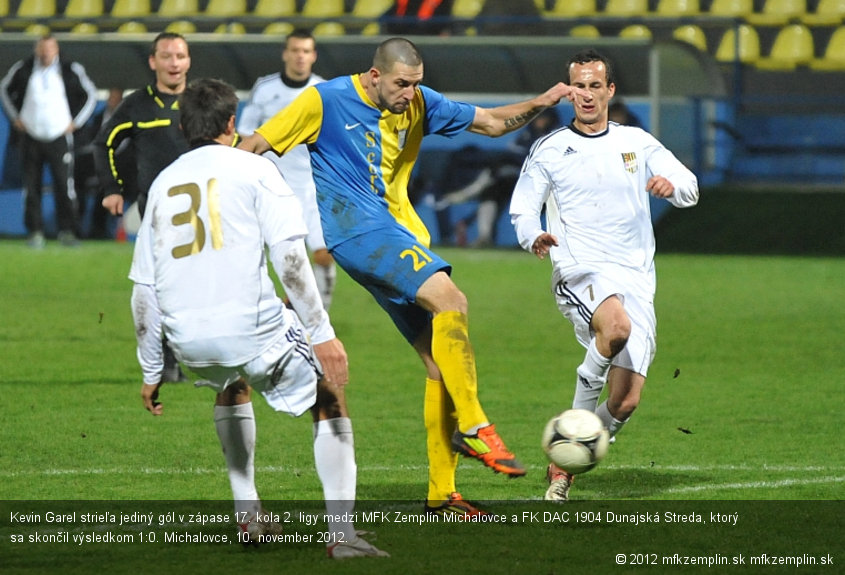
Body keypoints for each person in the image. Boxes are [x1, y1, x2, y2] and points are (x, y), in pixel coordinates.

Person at [238, 37, 588, 515]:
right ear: (375, 75)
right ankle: (474, 425)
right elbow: (256, 145)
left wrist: (541, 102)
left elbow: (487, 122)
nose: (410, 94)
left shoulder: (419, 101)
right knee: (452, 300)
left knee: (438, 363)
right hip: (358, 233)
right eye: (402, 84)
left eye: (416, 84)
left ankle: (441, 496)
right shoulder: (324, 100)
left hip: (399, 235)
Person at [130, 78, 388, 559]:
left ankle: (248, 516)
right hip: (252, 330)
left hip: (190, 344)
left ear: (183, 125)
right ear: (233, 123)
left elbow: (143, 291)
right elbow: (291, 259)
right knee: (329, 396)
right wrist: (323, 334)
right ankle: (342, 537)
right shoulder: (255, 169)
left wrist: (150, 370)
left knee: (233, 382)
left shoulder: (163, 183)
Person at [509, 49, 699, 501]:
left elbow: (690, 186)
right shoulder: (551, 148)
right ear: (569, 90)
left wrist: (672, 190)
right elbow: (522, 207)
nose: (587, 95)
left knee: (626, 400)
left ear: (610, 91)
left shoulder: (637, 142)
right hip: (580, 268)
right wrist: (532, 235)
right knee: (615, 328)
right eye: (579, 86)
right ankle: (564, 459)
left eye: (596, 86)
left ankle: (578, 448)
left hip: (635, 276)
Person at [93, 31, 191, 383]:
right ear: (153, 62)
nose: (174, 63)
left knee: (201, 286)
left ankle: (203, 355)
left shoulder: (200, 102)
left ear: (188, 61)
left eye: (180, 56)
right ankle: (167, 359)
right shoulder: (137, 105)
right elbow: (103, 143)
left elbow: (230, 142)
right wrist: (112, 189)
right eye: (167, 56)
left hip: (202, 215)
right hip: (157, 214)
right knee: (161, 289)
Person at [237, 29, 336, 310]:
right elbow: (246, 134)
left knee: (323, 254)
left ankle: (320, 313)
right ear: (285, 54)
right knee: (273, 254)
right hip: (273, 186)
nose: (300, 56)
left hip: (313, 186)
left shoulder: (323, 91)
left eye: (306, 51)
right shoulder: (265, 89)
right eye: (295, 50)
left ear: (313, 56)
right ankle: (268, 309)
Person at [0, 34, 97, 248]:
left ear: (56, 50)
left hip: (59, 137)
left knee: (64, 185)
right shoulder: (23, 68)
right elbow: (4, 89)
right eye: (42, 49)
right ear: (36, 50)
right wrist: (15, 118)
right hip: (30, 136)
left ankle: (68, 231)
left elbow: (90, 94)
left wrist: (76, 122)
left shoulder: (71, 69)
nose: (45, 54)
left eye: (49, 49)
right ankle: (35, 232)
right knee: (31, 186)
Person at [435, 108, 561, 247]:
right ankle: (484, 237)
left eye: (544, 118)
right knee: (491, 191)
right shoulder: (526, 134)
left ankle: (533, 240)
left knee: (536, 202)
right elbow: (512, 155)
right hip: (513, 177)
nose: (540, 121)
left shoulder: (557, 137)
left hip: (542, 184)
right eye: (538, 118)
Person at [74, 87, 127, 239]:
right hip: (95, 164)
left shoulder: (127, 121)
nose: (112, 101)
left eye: (115, 98)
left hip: (118, 165)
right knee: (79, 180)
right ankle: (76, 225)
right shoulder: (97, 118)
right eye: (110, 98)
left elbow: (125, 147)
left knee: (105, 188)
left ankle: (99, 230)